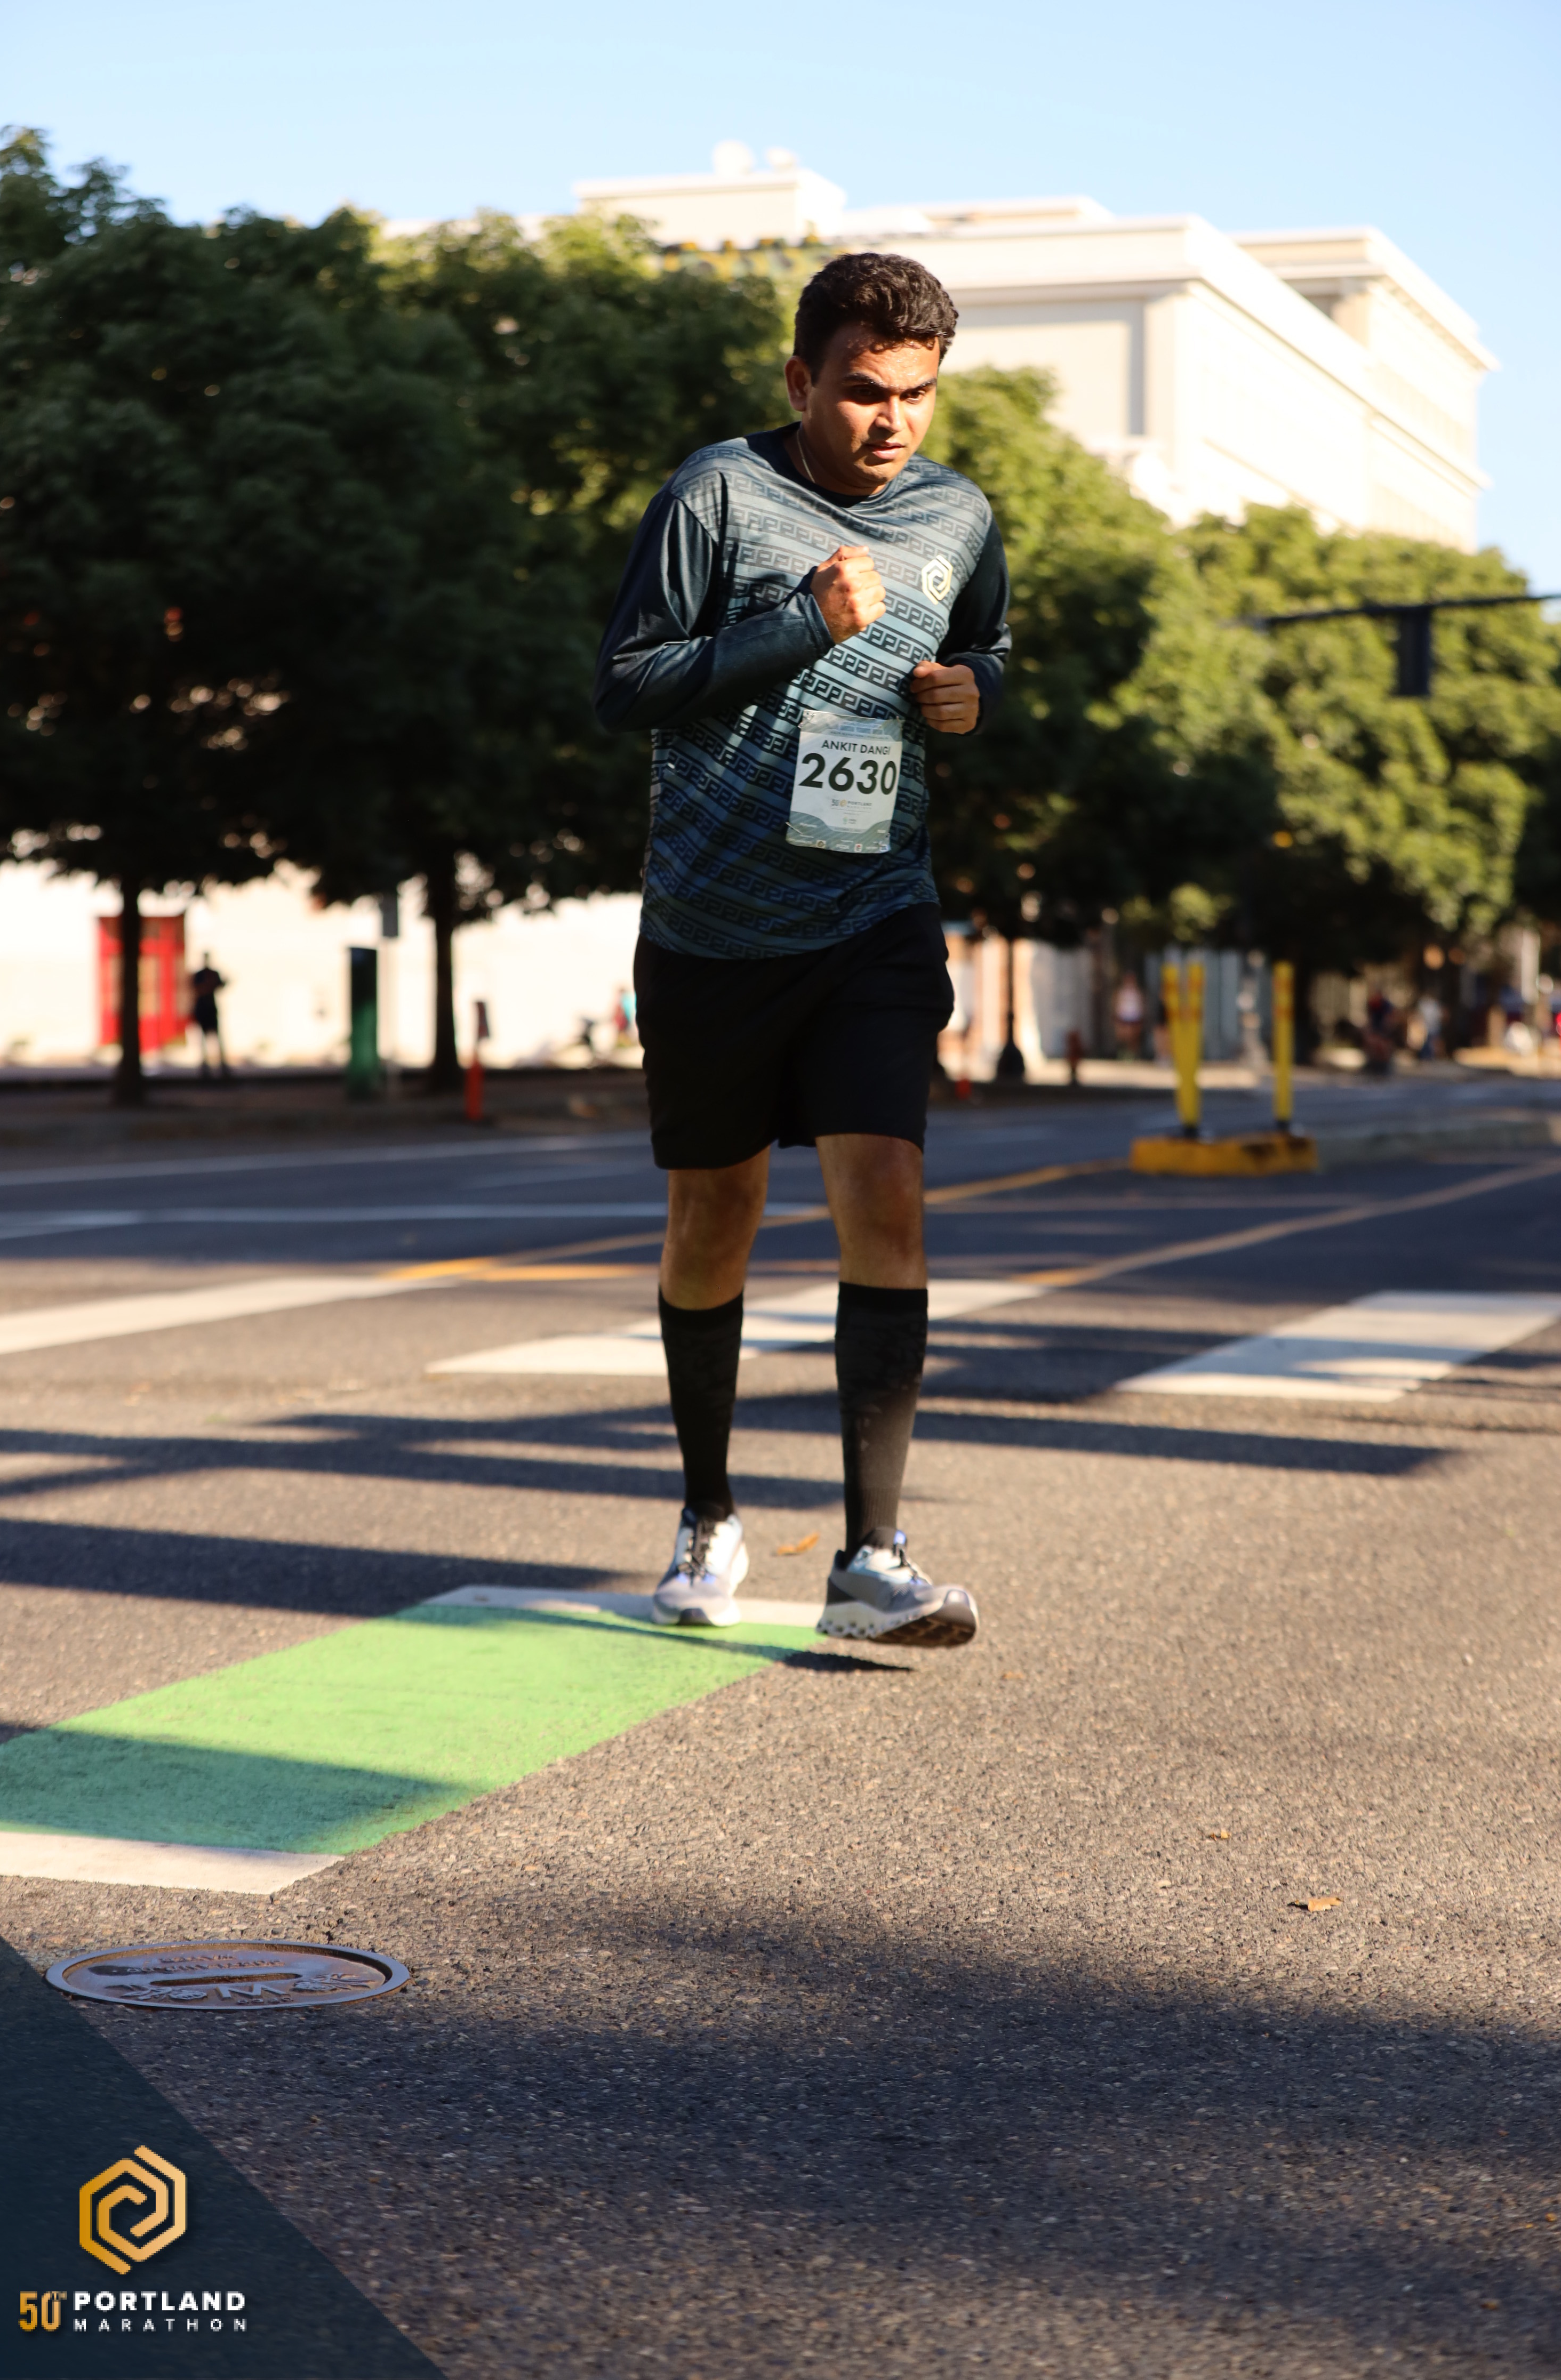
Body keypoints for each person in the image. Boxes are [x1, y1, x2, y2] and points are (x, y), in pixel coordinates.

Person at [594, 251, 1010, 1649]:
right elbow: (627, 684)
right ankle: (707, 1512)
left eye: (918, 394)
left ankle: (873, 1558)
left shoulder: (958, 516)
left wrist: (971, 693)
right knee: (714, 1219)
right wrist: (800, 625)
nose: (893, 422)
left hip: (872, 915)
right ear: (801, 379)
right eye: (864, 392)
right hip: (713, 927)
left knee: (886, 1192)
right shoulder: (716, 495)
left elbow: (991, 648)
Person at [189, 956, 228, 1078]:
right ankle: (205, 1068)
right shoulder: (200, 975)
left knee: (217, 1039)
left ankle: (222, 1067)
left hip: (210, 1009)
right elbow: (196, 988)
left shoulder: (212, 974)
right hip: (203, 1010)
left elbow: (219, 985)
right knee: (203, 1040)